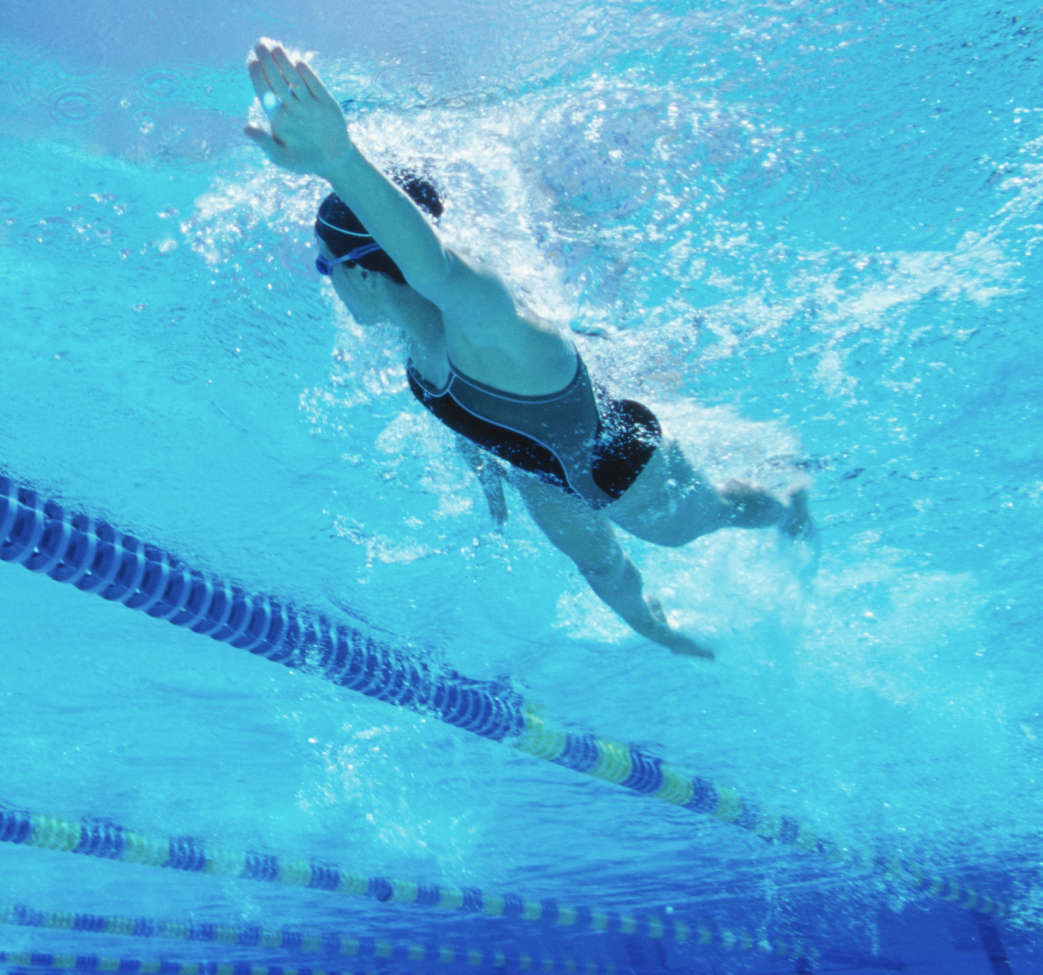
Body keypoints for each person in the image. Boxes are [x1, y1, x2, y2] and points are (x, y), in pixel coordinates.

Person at [241, 39, 810, 658]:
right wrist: (484, 472)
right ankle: (666, 636)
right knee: (601, 568)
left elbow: (434, 268)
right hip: (538, 471)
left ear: (364, 274)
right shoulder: (417, 344)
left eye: (324, 270)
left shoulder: (488, 323)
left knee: (695, 521)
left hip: (615, 461)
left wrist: (340, 160)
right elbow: (463, 417)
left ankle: (788, 503)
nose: (327, 286)